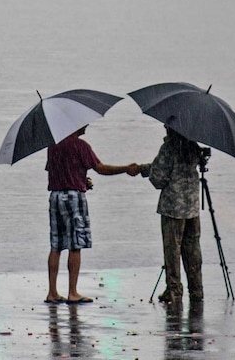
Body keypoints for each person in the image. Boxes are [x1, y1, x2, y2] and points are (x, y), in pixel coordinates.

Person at [44, 125, 137, 304]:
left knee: (55, 245)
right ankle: (72, 292)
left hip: (55, 197)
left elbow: (55, 171)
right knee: (75, 244)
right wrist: (126, 168)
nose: (87, 125)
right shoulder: (80, 146)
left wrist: (80, 178)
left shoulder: (53, 145)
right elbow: (101, 168)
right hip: (74, 198)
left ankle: (52, 292)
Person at [134, 126, 204, 305]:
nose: (164, 128)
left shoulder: (169, 148)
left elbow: (158, 179)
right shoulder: (193, 146)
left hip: (173, 208)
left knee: (172, 249)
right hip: (193, 206)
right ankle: (196, 289)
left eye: (166, 126)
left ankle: (174, 290)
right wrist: (143, 168)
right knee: (192, 248)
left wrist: (145, 170)